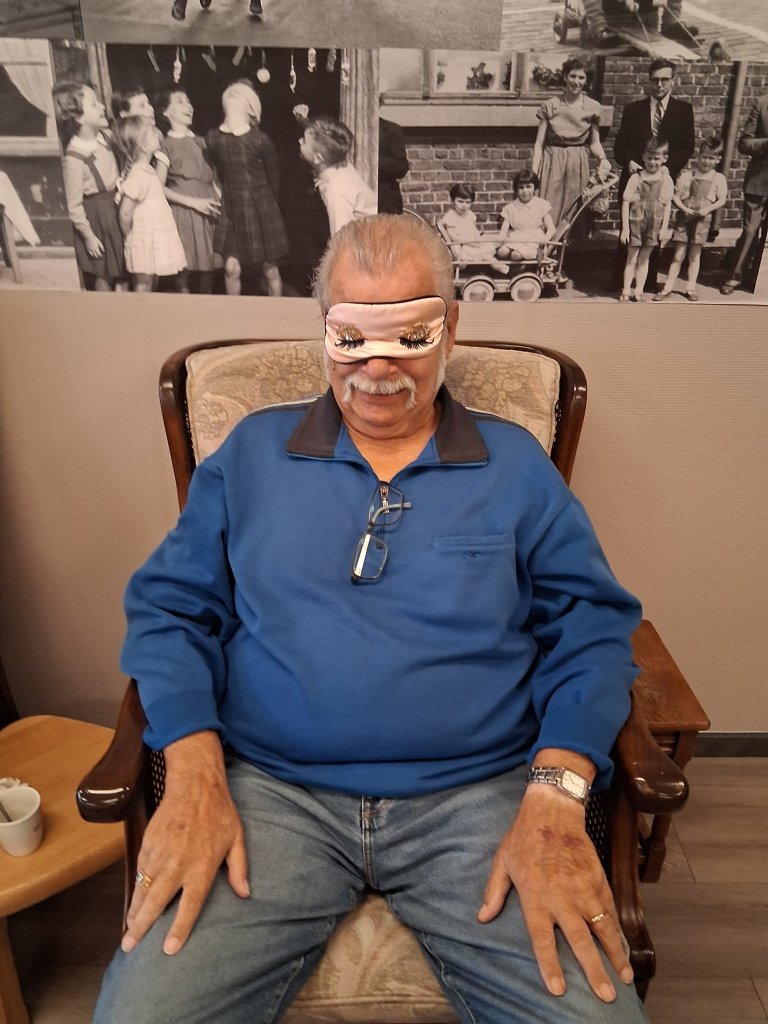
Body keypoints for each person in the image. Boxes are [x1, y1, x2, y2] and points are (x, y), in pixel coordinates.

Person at [92, 213, 648, 1024]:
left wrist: (557, 792)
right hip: (271, 794)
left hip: (477, 797)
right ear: (324, 327)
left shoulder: (516, 469)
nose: (377, 368)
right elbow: (170, 609)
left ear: (450, 325)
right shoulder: (249, 456)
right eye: (352, 338)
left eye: (409, 337)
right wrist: (193, 766)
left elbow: (592, 628)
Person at [611, 59, 695, 292]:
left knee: (653, 230)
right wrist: (629, 162)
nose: (659, 84)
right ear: (649, 80)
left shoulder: (683, 110)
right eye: (655, 80)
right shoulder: (633, 109)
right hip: (635, 180)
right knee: (629, 230)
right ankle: (619, 280)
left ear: (673, 81)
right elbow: (620, 145)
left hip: (661, 179)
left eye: (664, 80)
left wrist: (669, 168)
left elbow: (687, 146)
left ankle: (647, 282)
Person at [205, 80, 288, 297]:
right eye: (230, 94)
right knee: (231, 268)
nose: (233, 95)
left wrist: (266, 207)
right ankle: (234, 314)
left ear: (252, 110)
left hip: (260, 208)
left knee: (270, 270)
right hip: (231, 208)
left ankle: (277, 311)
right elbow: (216, 171)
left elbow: (274, 177)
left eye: (239, 95)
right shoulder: (214, 138)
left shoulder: (260, 140)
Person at [53, 79, 126, 292]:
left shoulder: (107, 137)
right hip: (97, 219)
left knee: (123, 269)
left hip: (117, 209)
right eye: (94, 104)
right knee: (104, 272)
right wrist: (89, 236)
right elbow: (74, 206)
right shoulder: (74, 158)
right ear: (77, 116)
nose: (102, 107)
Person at [532, 58, 611, 233]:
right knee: (549, 208)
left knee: (574, 212)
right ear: (565, 77)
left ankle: (569, 250)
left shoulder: (592, 107)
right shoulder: (550, 105)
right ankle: (547, 248)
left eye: (581, 77)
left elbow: (594, 142)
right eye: (572, 76)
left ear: (586, 80)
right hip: (553, 160)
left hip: (577, 162)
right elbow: (538, 144)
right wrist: (534, 173)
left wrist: (603, 158)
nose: (576, 81)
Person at [155, 87, 221, 295]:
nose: (188, 106)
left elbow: (215, 178)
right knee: (185, 269)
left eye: (189, 101)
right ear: (166, 112)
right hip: (185, 211)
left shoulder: (203, 141)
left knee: (209, 267)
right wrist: (192, 203)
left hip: (210, 208)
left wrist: (218, 197)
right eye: (180, 101)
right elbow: (158, 187)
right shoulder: (165, 145)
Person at [115, 116, 187, 292]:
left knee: (151, 279)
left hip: (154, 235)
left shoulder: (148, 170)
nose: (157, 133)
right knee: (144, 281)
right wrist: (130, 236)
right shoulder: (139, 173)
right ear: (144, 146)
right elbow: (125, 212)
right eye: (152, 132)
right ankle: (141, 307)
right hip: (144, 237)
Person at [655, 134, 728, 302]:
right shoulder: (687, 176)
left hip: (702, 220)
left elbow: (722, 200)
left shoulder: (718, 178)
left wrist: (707, 209)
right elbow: (675, 197)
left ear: (718, 159)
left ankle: (690, 287)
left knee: (694, 256)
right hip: (685, 218)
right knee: (678, 255)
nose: (707, 161)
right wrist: (684, 209)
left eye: (711, 158)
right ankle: (667, 288)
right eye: (704, 156)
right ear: (698, 155)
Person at [720, 92, 768, 296]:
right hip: (759, 180)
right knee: (750, 231)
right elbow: (744, 143)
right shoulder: (762, 103)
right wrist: (765, 143)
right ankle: (735, 276)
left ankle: (759, 278)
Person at [299, 115, 377, 235]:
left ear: (318, 158)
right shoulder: (338, 160)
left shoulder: (336, 192)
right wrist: (305, 123)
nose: (299, 141)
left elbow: (341, 239)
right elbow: (324, 141)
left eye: (304, 141)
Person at [619, 137, 673, 302]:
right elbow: (626, 202)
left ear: (664, 159)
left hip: (654, 224)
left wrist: (664, 228)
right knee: (632, 258)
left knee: (644, 259)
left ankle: (638, 291)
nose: (652, 162)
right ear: (643, 157)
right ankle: (626, 290)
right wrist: (625, 228)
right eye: (649, 158)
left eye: (656, 158)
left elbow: (667, 205)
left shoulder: (665, 179)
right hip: (636, 223)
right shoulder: (636, 178)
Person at [438, 182, 510, 273]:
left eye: (467, 202)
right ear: (452, 200)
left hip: (472, 243)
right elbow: (453, 236)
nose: (464, 205)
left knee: (489, 247)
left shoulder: (469, 214)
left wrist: (478, 240)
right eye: (460, 201)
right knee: (484, 254)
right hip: (462, 247)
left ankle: (499, 267)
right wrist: (472, 243)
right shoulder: (451, 216)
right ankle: (501, 269)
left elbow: (474, 230)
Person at [497, 169, 556, 262]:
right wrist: (500, 239)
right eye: (521, 187)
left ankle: (521, 266)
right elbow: (503, 231)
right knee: (502, 252)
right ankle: (507, 267)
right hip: (516, 238)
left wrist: (545, 239)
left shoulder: (541, 204)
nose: (524, 191)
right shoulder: (510, 207)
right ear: (517, 189)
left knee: (515, 255)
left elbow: (551, 229)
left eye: (528, 187)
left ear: (535, 187)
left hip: (534, 240)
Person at [581, 0, 698, 44]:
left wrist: (672, 17)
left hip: (647, 21)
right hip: (612, 21)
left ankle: (671, 24)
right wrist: (599, 26)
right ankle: (601, 30)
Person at [378, 115, 409, 214]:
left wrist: (374, 160)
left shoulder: (391, 130)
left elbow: (401, 167)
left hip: (383, 198)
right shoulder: (351, 125)